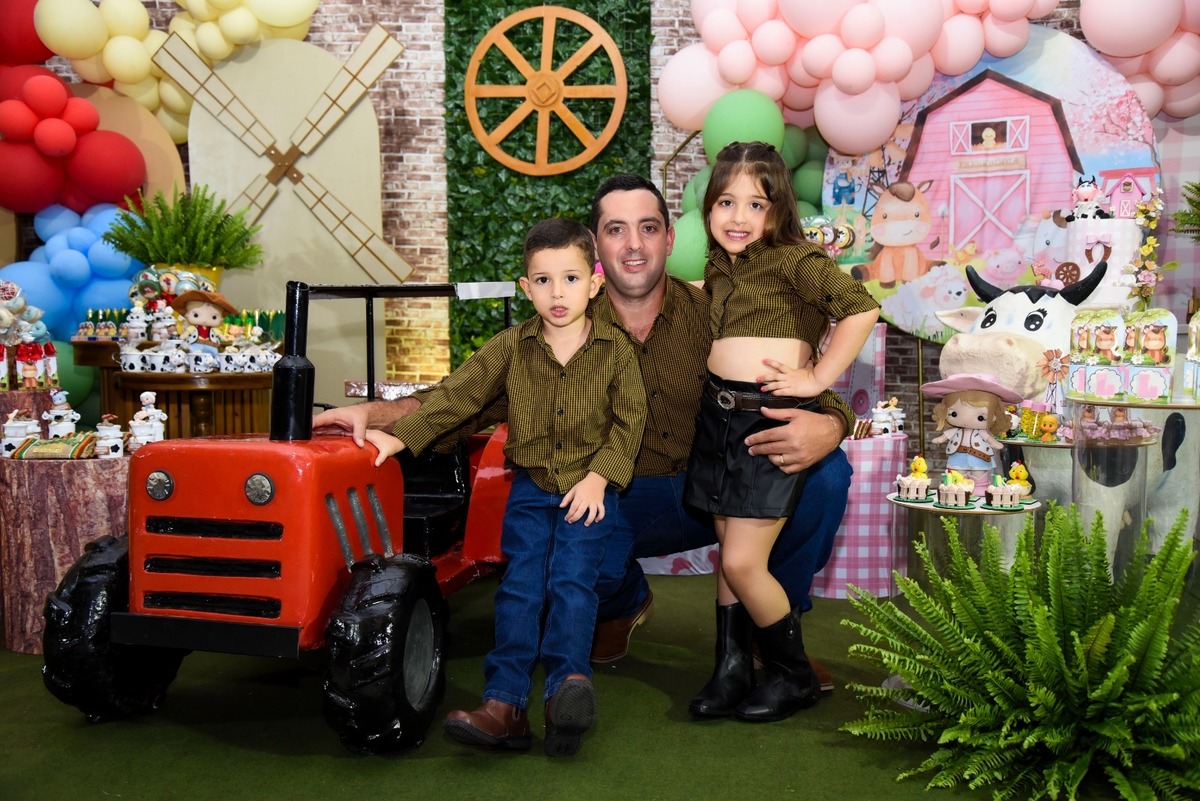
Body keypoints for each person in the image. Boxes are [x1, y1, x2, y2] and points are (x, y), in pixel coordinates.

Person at [313, 175, 859, 720]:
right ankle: (621, 604)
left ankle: (773, 633)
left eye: (649, 228)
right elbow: (464, 398)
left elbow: (794, 374)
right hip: (615, 494)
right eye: (616, 230)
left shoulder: (712, 309)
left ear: (670, 238)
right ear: (595, 246)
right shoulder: (560, 322)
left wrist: (832, 423)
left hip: (714, 487)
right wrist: (374, 415)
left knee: (826, 474)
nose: (634, 245)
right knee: (564, 544)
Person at [356, 218, 646, 758]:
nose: (557, 293)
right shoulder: (511, 347)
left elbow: (630, 425)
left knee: (572, 585)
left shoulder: (617, 351)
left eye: (570, 279)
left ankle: (565, 691)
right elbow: (458, 398)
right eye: (543, 281)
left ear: (594, 282)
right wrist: (400, 437)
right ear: (525, 287)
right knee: (520, 590)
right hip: (531, 490)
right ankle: (505, 704)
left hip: (588, 492)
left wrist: (599, 477)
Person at [682, 142, 879, 722]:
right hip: (718, 419)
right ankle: (731, 668)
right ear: (708, 208)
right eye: (726, 202)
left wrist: (816, 377)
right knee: (730, 555)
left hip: (767, 418)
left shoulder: (796, 260)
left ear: (779, 210)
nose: (738, 217)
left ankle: (793, 674)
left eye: (756, 204)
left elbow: (860, 308)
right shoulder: (717, 269)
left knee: (744, 562)